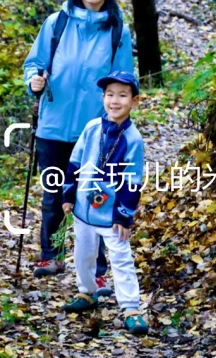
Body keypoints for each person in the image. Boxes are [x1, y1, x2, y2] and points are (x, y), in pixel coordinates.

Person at [21, 0, 135, 286]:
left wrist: (115, 121)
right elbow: (34, 63)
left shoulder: (118, 31)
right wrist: (34, 81)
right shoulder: (56, 23)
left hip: (96, 131)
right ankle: (51, 256)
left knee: (95, 195)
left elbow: (124, 80)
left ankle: (96, 272)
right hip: (53, 126)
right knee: (53, 193)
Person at [62, 72, 149, 335]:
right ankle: (87, 292)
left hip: (111, 214)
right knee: (83, 253)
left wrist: (124, 215)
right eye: (110, 94)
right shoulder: (92, 129)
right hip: (83, 209)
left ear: (134, 101)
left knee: (120, 257)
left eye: (122, 95)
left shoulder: (132, 139)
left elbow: (132, 181)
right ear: (103, 97)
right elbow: (75, 162)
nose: (115, 100)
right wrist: (67, 194)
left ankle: (131, 307)